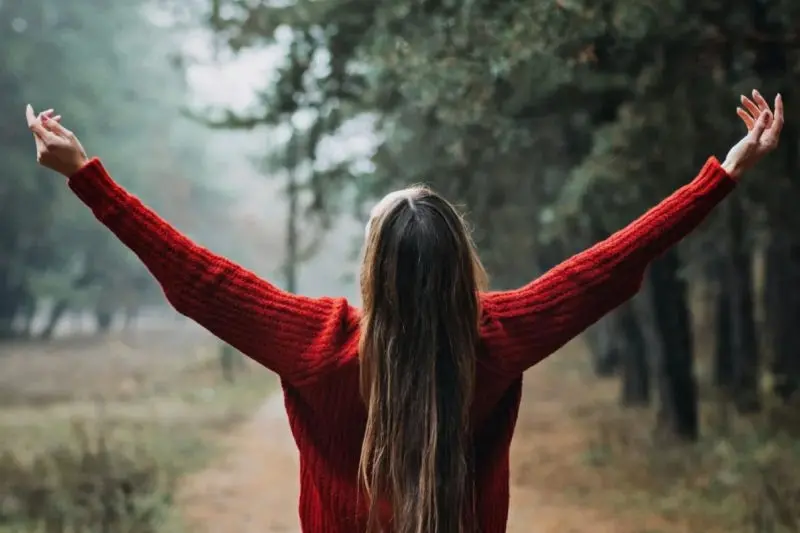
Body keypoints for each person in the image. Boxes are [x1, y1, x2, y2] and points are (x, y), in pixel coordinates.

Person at [25, 90, 783, 533]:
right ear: (460, 268)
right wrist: (722, 176)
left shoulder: (316, 345)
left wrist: (88, 176)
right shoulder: (495, 337)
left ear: (372, 271)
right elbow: (610, 265)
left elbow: (198, 278)